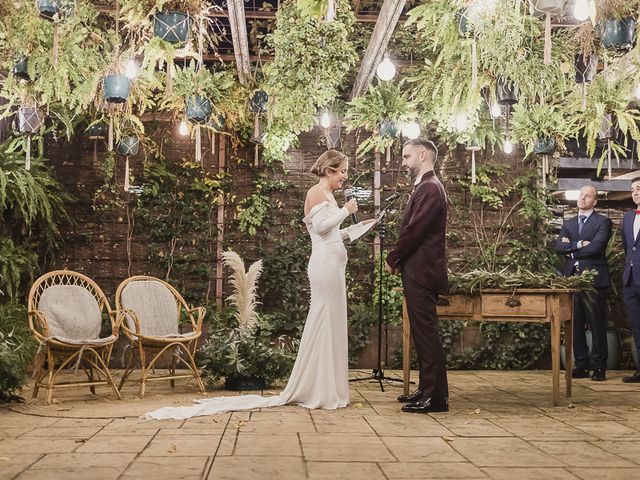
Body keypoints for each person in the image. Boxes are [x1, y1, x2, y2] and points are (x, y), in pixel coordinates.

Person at [145, 150, 366, 419]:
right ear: (329, 171)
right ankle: (317, 388)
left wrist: (354, 229)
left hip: (334, 262)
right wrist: (346, 210)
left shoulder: (329, 195)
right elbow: (319, 229)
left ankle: (327, 386)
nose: (345, 176)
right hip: (324, 266)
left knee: (331, 321)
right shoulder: (316, 192)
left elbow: (330, 232)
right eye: (342, 170)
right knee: (322, 319)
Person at [385, 138, 449, 414]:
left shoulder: (431, 188)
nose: (403, 162)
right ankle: (426, 390)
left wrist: (393, 257)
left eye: (406, 156)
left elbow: (414, 230)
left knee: (426, 334)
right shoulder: (427, 186)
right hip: (418, 269)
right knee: (424, 334)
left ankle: (435, 398)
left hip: (422, 272)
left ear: (423, 155)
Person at [553, 185, 612, 382]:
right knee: (575, 323)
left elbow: (597, 248)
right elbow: (558, 247)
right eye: (581, 195)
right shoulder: (568, 223)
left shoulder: (603, 222)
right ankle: (581, 365)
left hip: (594, 279)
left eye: (588, 196)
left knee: (596, 323)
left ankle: (599, 367)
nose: (583, 198)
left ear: (595, 201)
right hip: (571, 279)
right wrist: (578, 245)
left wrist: (570, 250)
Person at [621, 176, 640, 383]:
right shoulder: (627, 217)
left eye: (639, 188)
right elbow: (628, 248)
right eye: (633, 189)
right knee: (637, 326)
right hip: (631, 280)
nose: (635, 192)